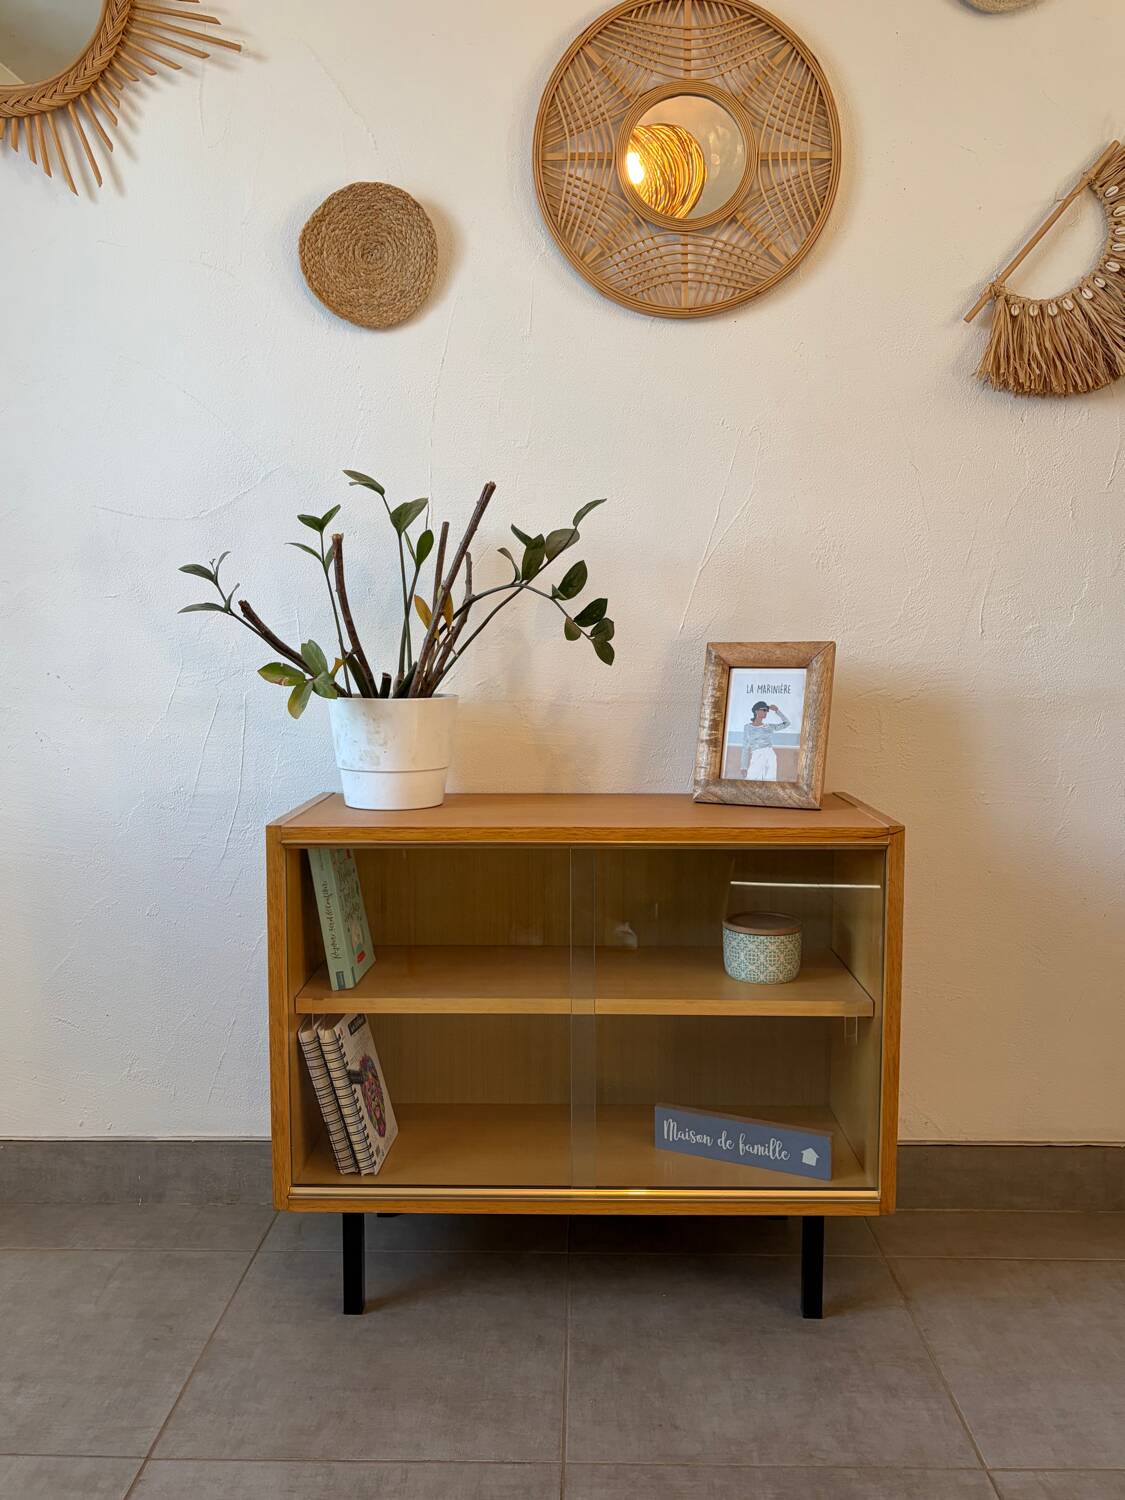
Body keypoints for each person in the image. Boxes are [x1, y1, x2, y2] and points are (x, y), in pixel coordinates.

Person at [740, 701, 790, 781]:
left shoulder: (768, 727)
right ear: (756, 711)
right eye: (764, 710)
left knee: (770, 780)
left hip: (770, 755)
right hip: (756, 755)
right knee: (751, 780)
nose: (766, 712)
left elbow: (787, 723)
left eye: (767, 710)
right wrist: (744, 767)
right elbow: (745, 748)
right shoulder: (747, 727)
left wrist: (777, 711)